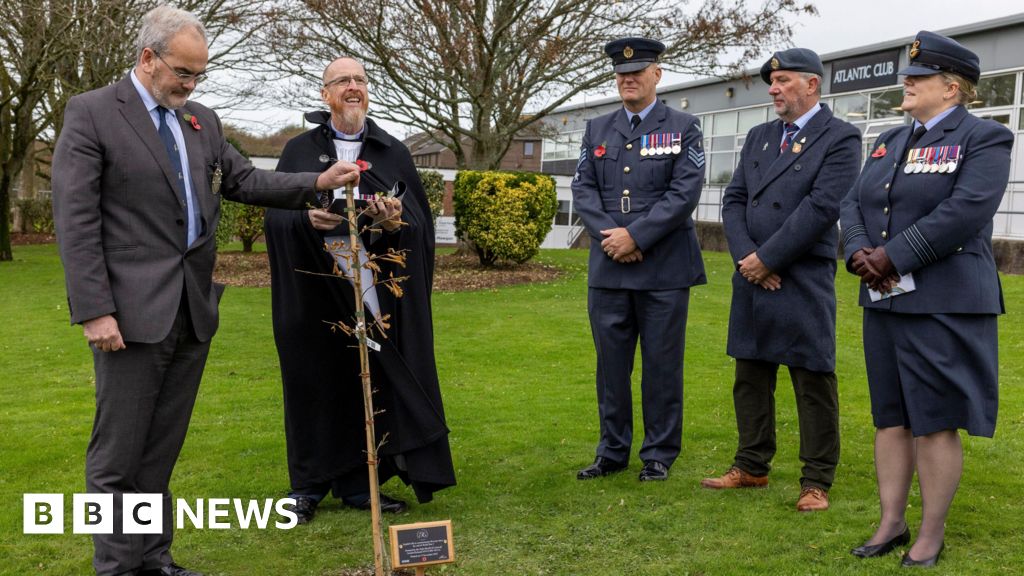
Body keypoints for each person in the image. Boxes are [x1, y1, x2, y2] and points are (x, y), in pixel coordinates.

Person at [51, 7, 361, 576]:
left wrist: (316, 182)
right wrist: (95, 309)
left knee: (160, 449)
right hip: (127, 315)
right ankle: (118, 568)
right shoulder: (92, 113)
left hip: (191, 310)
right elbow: (75, 221)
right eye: (183, 73)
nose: (191, 85)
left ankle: (154, 558)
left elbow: (246, 180)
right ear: (147, 58)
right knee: (119, 455)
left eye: (200, 76)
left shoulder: (202, 121)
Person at [840, 31, 1011, 567]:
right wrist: (858, 253)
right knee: (891, 416)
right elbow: (853, 201)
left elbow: (967, 210)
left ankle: (930, 534)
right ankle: (891, 522)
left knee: (934, 419)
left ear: (952, 87)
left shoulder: (985, 138)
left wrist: (894, 256)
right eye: (907, 77)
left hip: (944, 300)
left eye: (917, 78)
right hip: (885, 298)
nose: (905, 85)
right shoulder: (890, 138)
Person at [264, 57, 455, 524]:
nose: (353, 88)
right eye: (342, 82)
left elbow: (418, 227)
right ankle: (307, 486)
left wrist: (394, 225)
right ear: (325, 94)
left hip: (372, 290)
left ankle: (358, 483)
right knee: (312, 381)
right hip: (313, 290)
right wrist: (306, 218)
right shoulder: (299, 151)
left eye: (360, 81)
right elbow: (275, 216)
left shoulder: (392, 151)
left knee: (366, 382)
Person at [701, 49, 862, 512]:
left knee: (812, 377)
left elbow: (821, 207)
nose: (773, 88)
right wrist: (747, 259)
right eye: (771, 81)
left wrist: (769, 259)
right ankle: (751, 465)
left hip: (802, 275)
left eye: (783, 80)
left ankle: (816, 479)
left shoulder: (840, 137)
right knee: (750, 373)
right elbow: (733, 201)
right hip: (752, 273)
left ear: (812, 85)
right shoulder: (758, 136)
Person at [571, 38, 706, 483]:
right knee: (610, 367)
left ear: (657, 75)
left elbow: (684, 193)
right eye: (622, 74)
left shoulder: (684, 127)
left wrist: (637, 235)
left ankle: (659, 454)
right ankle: (612, 451)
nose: (628, 79)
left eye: (638, 72)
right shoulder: (597, 129)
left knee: (662, 366)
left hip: (663, 269)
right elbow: (584, 189)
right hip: (610, 268)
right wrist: (613, 237)